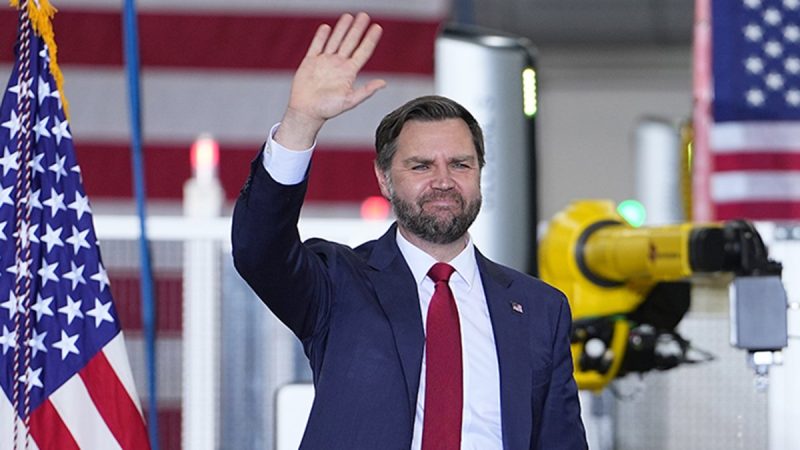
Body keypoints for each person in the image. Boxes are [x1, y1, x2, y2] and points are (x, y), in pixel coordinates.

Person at [232, 12, 587, 450]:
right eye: (421, 166)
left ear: (480, 174)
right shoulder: (338, 282)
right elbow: (258, 249)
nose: (443, 181)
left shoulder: (540, 308)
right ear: (384, 179)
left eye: (460, 164)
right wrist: (300, 121)